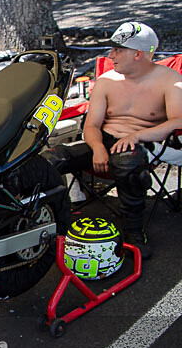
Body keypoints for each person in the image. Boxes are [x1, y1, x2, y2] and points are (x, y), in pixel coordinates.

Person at [42, 22, 182, 259]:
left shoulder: (170, 80)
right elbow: (93, 125)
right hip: (104, 140)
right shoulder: (106, 81)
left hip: (144, 143)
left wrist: (136, 136)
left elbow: (177, 122)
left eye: (118, 50)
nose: (110, 55)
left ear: (138, 54)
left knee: (127, 162)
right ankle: (55, 227)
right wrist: (97, 148)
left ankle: (135, 232)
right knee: (50, 160)